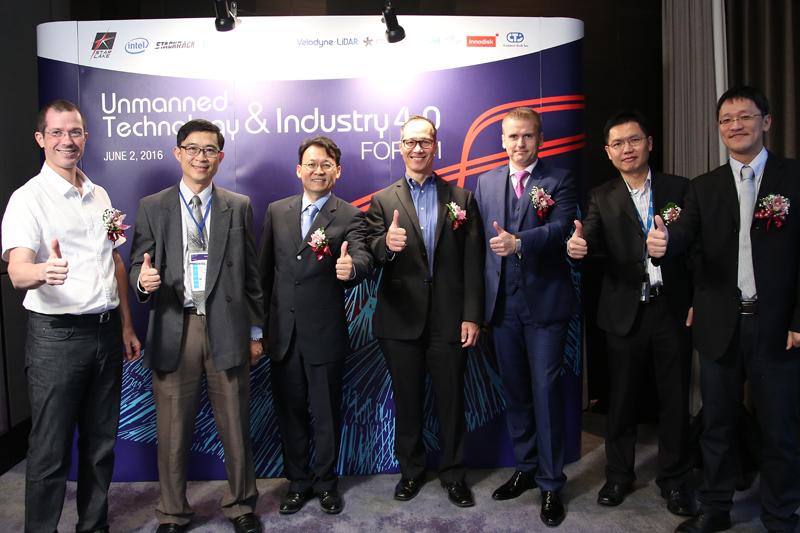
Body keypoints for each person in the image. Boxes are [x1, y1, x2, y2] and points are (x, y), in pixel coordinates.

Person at [648, 86, 800, 533]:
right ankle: (714, 509)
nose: (735, 126)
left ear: (766, 122)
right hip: (719, 325)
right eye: (726, 120)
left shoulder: (793, 178)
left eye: (745, 116)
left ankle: (781, 514)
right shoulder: (704, 186)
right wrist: (663, 242)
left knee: (780, 429)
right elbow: (684, 237)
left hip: (778, 327)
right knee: (716, 426)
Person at [1, 99, 140, 533]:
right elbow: (16, 271)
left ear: (86, 137)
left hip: (105, 334)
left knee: (100, 445)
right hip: (56, 339)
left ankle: (93, 527)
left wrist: (126, 325)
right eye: (57, 133)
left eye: (75, 132)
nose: (67, 140)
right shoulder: (27, 199)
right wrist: (43, 271)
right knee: (50, 450)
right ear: (40, 139)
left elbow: (115, 260)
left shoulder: (100, 195)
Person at [128, 119, 263, 533]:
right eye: (192, 148)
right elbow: (137, 263)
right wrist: (142, 280)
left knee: (235, 425)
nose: (200, 157)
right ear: (178, 153)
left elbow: (252, 277)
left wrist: (256, 333)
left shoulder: (237, 205)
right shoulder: (153, 206)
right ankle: (172, 512)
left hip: (227, 327)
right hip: (176, 326)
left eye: (209, 150)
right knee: (172, 429)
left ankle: (241, 505)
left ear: (220, 157)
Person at [566, 110, 694, 516]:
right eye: (618, 144)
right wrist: (577, 248)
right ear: (608, 152)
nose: (627, 149)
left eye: (634, 140)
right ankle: (619, 475)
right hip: (624, 311)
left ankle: (674, 480)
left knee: (674, 399)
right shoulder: (600, 196)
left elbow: (694, 243)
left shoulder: (679, 188)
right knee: (621, 400)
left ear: (649, 143)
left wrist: (673, 248)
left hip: (671, 308)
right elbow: (588, 236)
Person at [364, 115, 484, 507]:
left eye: (425, 141)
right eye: (410, 142)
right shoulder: (383, 200)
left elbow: (473, 263)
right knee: (407, 400)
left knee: (452, 402)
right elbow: (371, 253)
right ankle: (411, 472)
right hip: (400, 319)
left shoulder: (461, 198)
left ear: (436, 146)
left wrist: (471, 315)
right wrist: (386, 244)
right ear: (400, 147)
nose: (418, 148)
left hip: (450, 320)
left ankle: (454, 474)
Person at [258, 136, 373, 515]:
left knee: (325, 415)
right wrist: (259, 330)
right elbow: (263, 275)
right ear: (299, 170)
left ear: (337, 171)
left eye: (326, 164)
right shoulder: (277, 211)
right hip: (283, 335)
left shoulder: (349, 215)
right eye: (311, 164)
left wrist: (351, 268)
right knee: (289, 413)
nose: (318, 170)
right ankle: (298, 482)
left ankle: (326, 483)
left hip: (324, 334)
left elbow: (361, 256)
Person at [474, 106, 576, 527]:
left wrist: (519, 243)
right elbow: (477, 244)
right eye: (513, 136)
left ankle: (551, 483)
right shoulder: (485, 182)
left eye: (528, 136)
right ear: (502, 140)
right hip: (502, 308)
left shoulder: (560, 179)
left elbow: (561, 228)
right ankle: (527, 466)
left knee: (545, 392)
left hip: (545, 306)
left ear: (540, 138)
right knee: (515, 391)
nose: (520, 143)